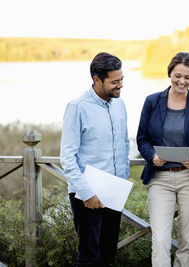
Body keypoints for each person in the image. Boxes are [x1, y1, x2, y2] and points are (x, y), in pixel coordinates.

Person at [136, 52, 189, 267]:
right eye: (177, 75)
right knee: (160, 238)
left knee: (187, 241)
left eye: (187, 77)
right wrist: (152, 156)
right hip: (159, 179)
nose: (182, 81)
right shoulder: (152, 102)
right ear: (169, 73)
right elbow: (142, 139)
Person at [60, 52, 130, 266]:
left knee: (108, 254)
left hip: (114, 192)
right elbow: (67, 158)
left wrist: (123, 181)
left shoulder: (120, 104)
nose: (120, 86)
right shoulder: (77, 107)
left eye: (121, 80)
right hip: (87, 196)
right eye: (114, 82)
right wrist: (87, 193)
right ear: (97, 80)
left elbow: (124, 144)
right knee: (90, 257)